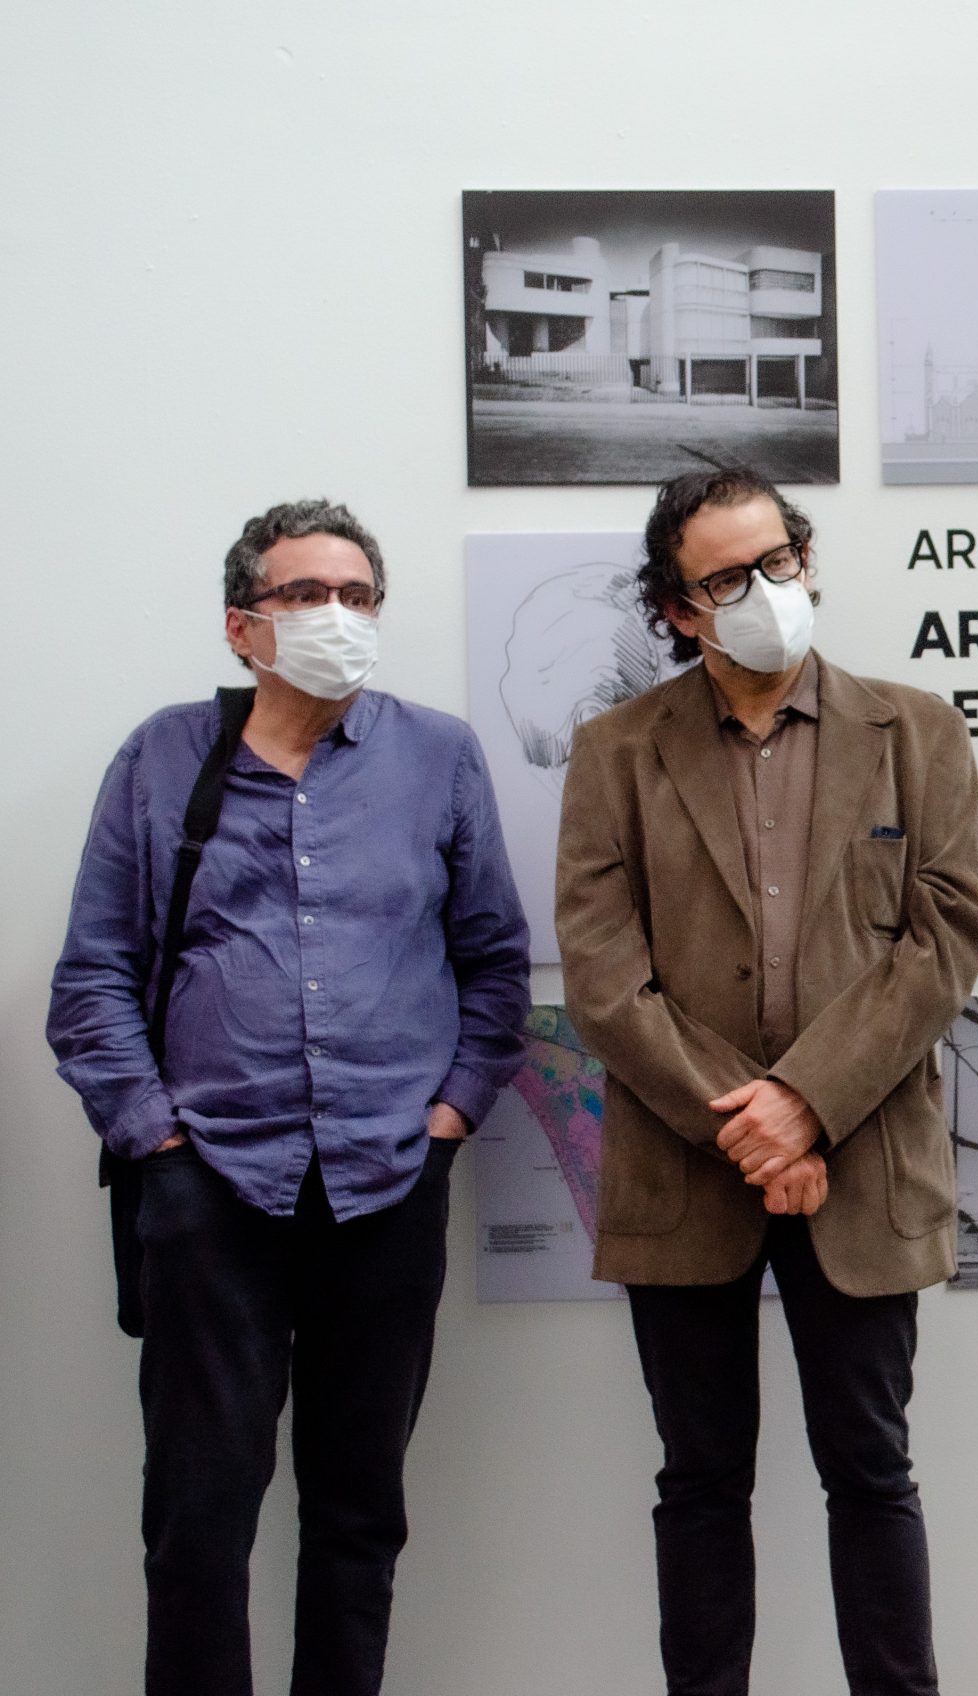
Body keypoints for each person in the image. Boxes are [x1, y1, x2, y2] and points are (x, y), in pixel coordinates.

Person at [48, 498, 532, 1696]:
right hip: (212, 1188)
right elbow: (92, 977)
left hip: (385, 1184)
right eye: (304, 596)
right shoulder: (163, 758)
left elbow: (496, 960)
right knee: (199, 1518)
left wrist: (452, 1114)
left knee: (360, 1512)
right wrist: (155, 1136)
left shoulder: (439, 756)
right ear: (241, 628)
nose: (336, 617)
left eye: (357, 596)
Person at [555, 464, 978, 1696]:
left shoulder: (916, 730)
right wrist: (747, 1125)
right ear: (679, 610)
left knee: (872, 1470)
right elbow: (602, 977)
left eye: (780, 558)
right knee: (699, 1480)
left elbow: (941, 940)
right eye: (728, 579)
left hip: (863, 1168)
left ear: (807, 555)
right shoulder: (615, 753)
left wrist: (806, 1104)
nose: (766, 591)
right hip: (684, 1178)